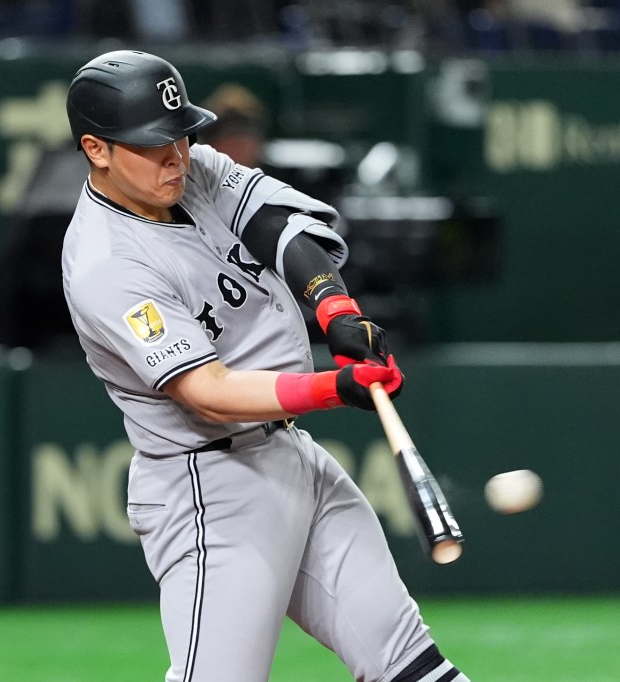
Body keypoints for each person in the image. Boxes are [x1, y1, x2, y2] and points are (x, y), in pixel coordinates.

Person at [62, 51, 470, 682]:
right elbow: (208, 392)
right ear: (97, 148)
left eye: (181, 135)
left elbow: (275, 223)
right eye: (152, 144)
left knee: (408, 663)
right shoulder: (105, 262)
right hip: (210, 485)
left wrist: (336, 312)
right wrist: (336, 387)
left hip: (291, 457)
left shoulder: (186, 171)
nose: (175, 155)